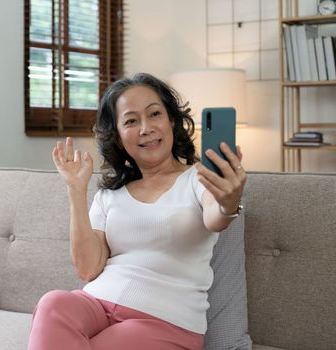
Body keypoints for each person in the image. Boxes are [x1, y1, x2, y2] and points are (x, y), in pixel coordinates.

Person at [27, 73, 246, 350]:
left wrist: (228, 203)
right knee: (53, 303)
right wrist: (76, 190)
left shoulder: (198, 179)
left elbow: (216, 217)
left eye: (155, 114)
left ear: (172, 122)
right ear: (118, 137)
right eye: (131, 120)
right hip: (96, 304)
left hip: (165, 321)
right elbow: (88, 268)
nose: (146, 128)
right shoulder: (109, 194)